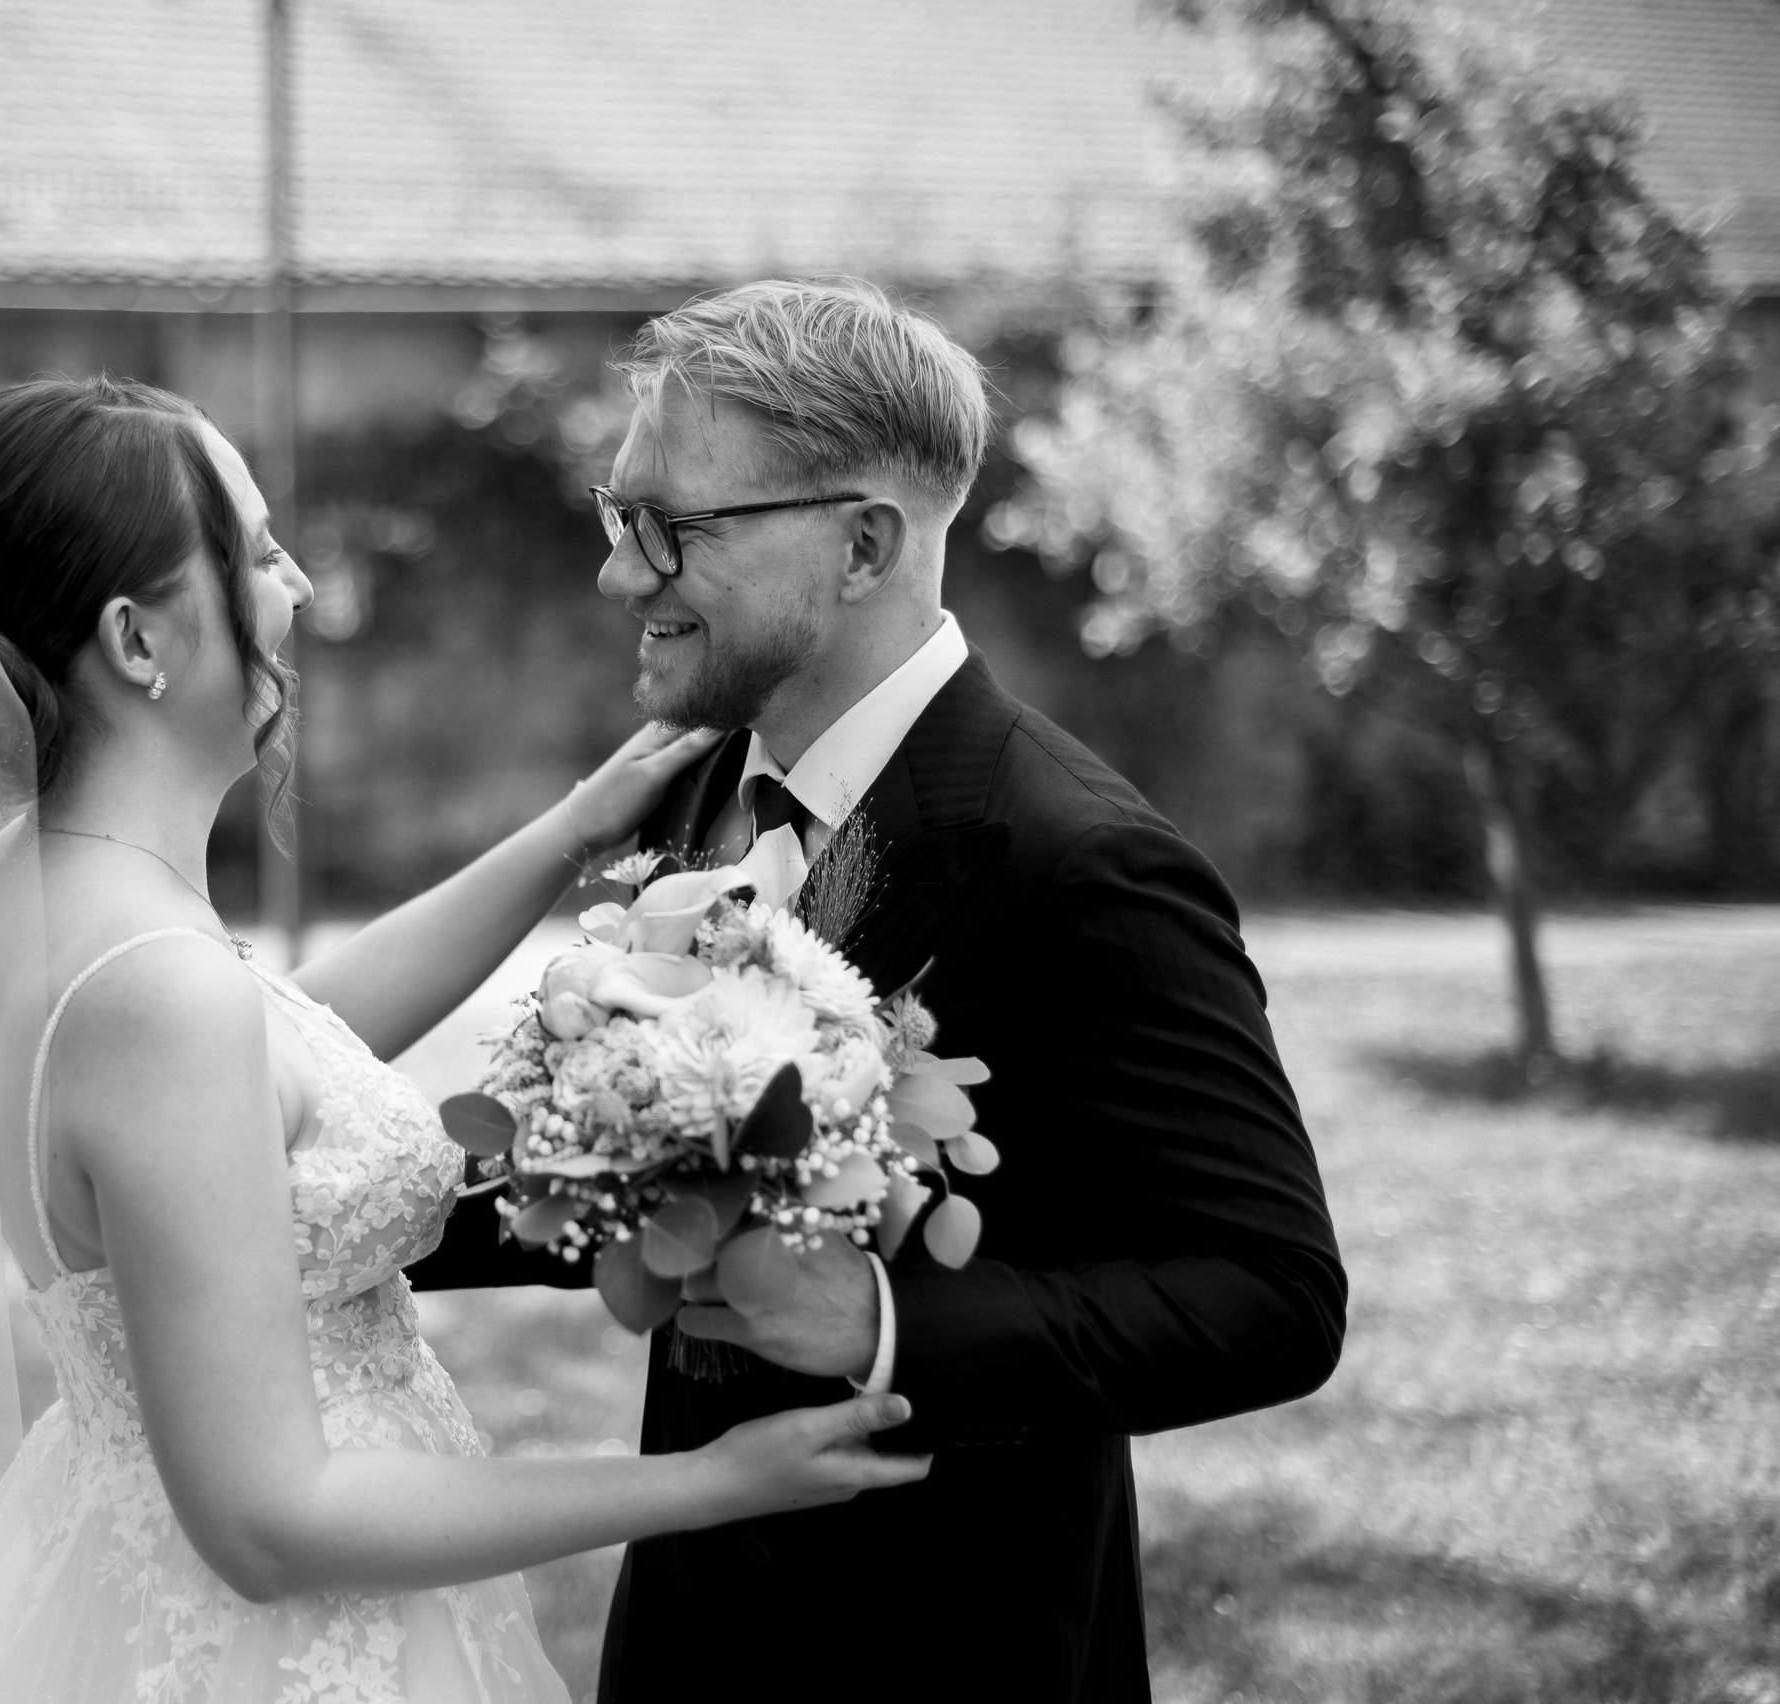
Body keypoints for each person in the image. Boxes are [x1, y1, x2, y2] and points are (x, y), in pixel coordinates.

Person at [0, 374, 931, 1704]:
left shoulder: (36, 890)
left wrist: (570, 832)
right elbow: (270, 1523)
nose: (297, 590)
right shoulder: (155, 996)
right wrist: (707, 1482)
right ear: (137, 638)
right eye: (259, 551)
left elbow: (283, 1050)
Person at [410, 279, 1348, 1702]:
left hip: (958, 1654)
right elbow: (649, 1165)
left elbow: (1274, 1296)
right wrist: (363, 1215)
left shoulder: (1083, 861)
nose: (619, 575)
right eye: (619, 513)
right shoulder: (704, 784)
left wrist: (883, 1325)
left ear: (863, 544)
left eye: (671, 526)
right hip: (685, 1634)